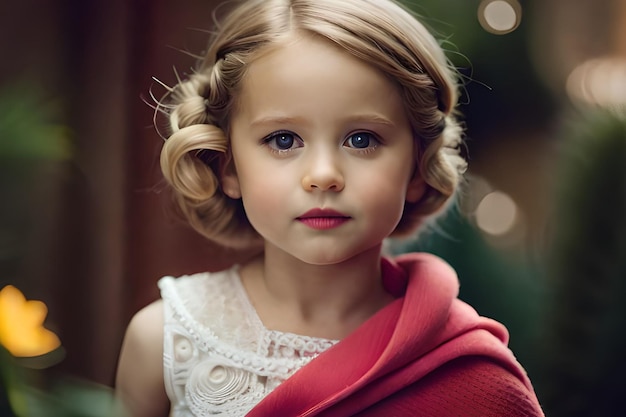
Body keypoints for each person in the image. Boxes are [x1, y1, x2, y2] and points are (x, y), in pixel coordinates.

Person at [115, 0, 545, 415]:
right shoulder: (166, 342)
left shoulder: (467, 372)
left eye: (362, 139)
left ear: (417, 167)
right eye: (283, 140)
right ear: (227, 166)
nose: (322, 175)